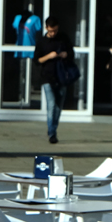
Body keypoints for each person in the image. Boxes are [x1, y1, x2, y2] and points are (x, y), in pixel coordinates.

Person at [34, 16, 73, 144]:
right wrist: (49, 56)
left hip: (61, 76)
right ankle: (52, 133)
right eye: (51, 31)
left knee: (58, 107)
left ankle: (53, 128)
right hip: (47, 77)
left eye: (55, 31)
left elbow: (72, 53)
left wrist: (65, 54)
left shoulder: (63, 39)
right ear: (46, 28)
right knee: (51, 105)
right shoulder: (42, 41)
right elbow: (37, 60)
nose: (53, 33)